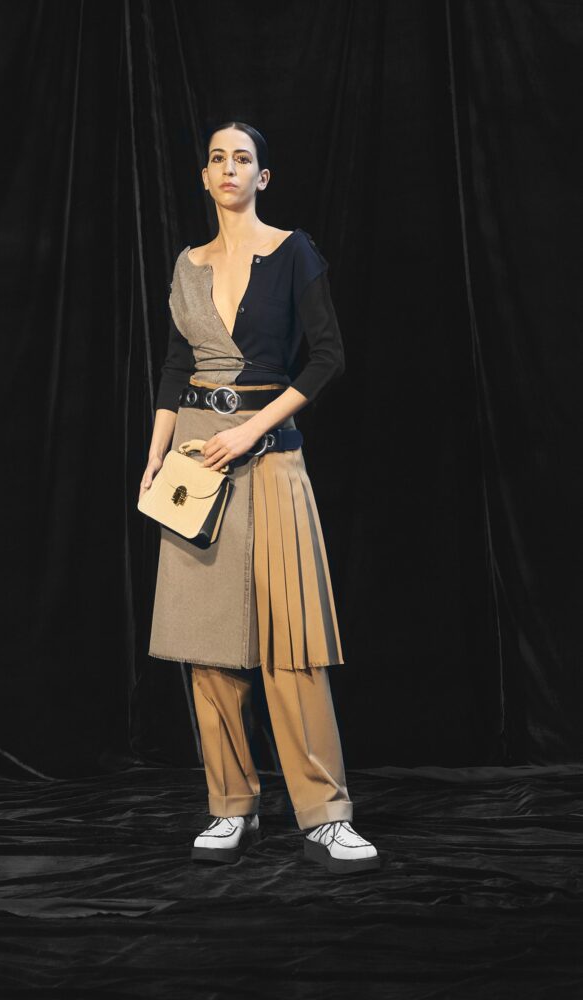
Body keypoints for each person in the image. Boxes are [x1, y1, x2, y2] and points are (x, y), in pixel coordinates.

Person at [139, 121, 380, 875]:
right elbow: (176, 364)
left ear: (261, 177)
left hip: (267, 456)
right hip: (194, 462)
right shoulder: (187, 265)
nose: (228, 168)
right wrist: (155, 454)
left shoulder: (292, 251)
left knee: (291, 643)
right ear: (203, 177)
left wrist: (251, 431)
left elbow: (328, 357)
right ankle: (230, 805)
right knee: (207, 645)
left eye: (242, 158)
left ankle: (326, 815)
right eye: (217, 158)